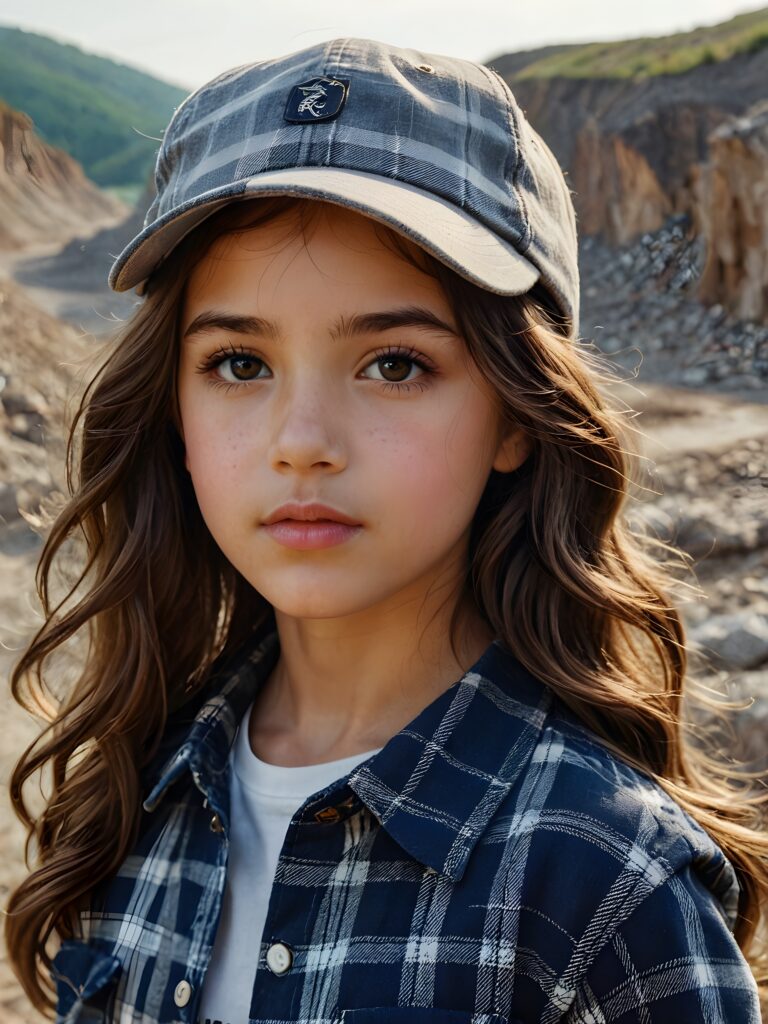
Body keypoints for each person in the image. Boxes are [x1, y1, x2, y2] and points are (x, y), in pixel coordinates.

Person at [5, 37, 767, 1024]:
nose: (302, 443)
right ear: (173, 415)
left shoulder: (608, 889)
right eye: (240, 363)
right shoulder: (133, 798)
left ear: (514, 414)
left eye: (395, 364)